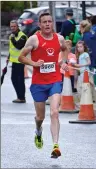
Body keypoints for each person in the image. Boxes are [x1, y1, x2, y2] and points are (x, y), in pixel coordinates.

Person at [18, 12, 69, 158]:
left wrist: (63, 62)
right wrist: (34, 63)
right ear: (39, 25)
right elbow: (21, 57)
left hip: (54, 80)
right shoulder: (34, 40)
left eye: (49, 22)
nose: (47, 24)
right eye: (44, 22)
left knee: (54, 112)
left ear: (52, 23)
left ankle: (56, 146)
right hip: (38, 83)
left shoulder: (59, 39)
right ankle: (38, 131)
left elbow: (65, 50)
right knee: (40, 117)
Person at [9, 20, 27, 103]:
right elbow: (11, 48)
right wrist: (8, 58)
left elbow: (18, 46)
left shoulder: (22, 36)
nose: (12, 28)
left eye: (14, 26)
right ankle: (19, 96)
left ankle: (22, 97)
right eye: (11, 26)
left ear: (17, 27)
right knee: (13, 79)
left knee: (20, 80)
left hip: (20, 62)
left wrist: (12, 38)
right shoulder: (11, 36)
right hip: (14, 61)